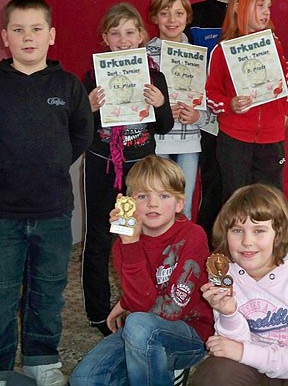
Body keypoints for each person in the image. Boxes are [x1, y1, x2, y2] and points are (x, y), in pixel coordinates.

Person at [0, 0, 93, 386]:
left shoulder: (68, 86)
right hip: (1, 213)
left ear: (51, 35)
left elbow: (80, 134)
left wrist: (52, 164)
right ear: (5, 37)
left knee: (48, 291)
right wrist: (1, 171)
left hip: (53, 211)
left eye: (36, 29)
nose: (28, 37)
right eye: (18, 30)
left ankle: (41, 359)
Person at [70, 155, 214, 386]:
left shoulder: (193, 235)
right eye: (142, 196)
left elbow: (170, 311)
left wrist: (127, 303)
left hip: (190, 333)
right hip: (143, 329)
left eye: (163, 196)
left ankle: (163, 368)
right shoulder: (124, 244)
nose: (152, 204)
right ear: (128, 203)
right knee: (84, 379)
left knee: (137, 324)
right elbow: (140, 301)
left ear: (179, 204)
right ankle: (159, 371)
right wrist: (130, 245)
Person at [82, 2, 174, 336]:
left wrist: (160, 104)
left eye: (130, 32)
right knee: (101, 237)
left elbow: (164, 126)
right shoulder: (93, 77)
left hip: (141, 170)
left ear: (141, 37)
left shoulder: (155, 76)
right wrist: (89, 109)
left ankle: (143, 306)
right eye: (115, 33)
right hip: (103, 166)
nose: (123, 40)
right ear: (105, 39)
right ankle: (98, 313)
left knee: (141, 237)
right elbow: (82, 130)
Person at [191, 183, 288, 385]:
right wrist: (228, 314)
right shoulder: (224, 275)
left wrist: (243, 352)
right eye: (237, 230)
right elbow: (229, 347)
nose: (247, 241)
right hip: (249, 367)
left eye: (259, 231)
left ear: (279, 234)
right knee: (214, 373)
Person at [205, 0, 288, 201]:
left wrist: (284, 113)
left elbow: (286, 82)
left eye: (269, 6)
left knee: (271, 202)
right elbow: (210, 95)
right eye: (260, 6)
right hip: (234, 139)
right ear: (238, 7)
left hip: (271, 138)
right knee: (236, 201)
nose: (266, 12)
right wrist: (230, 104)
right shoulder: (222, 50)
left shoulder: (274, 44)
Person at [188, 0, 246, 240]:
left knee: (237, 186)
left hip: (240, 112)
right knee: (211, 183)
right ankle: (207, 249)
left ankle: (236, 246)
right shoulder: (194, 14)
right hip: (205, 114)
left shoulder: (248, 14)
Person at [145, 0, 218, 219]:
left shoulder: (199, 55)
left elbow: (211, 103)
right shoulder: (144, 55)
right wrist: (161, 110)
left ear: (188, 17)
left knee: (183, 208)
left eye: (178, 13)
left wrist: (198, 117)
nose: (172, 20)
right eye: (164, 13)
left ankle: (181, 245)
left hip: (189, 141)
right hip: (157, 142)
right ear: (154, 17)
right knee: (156, 206)